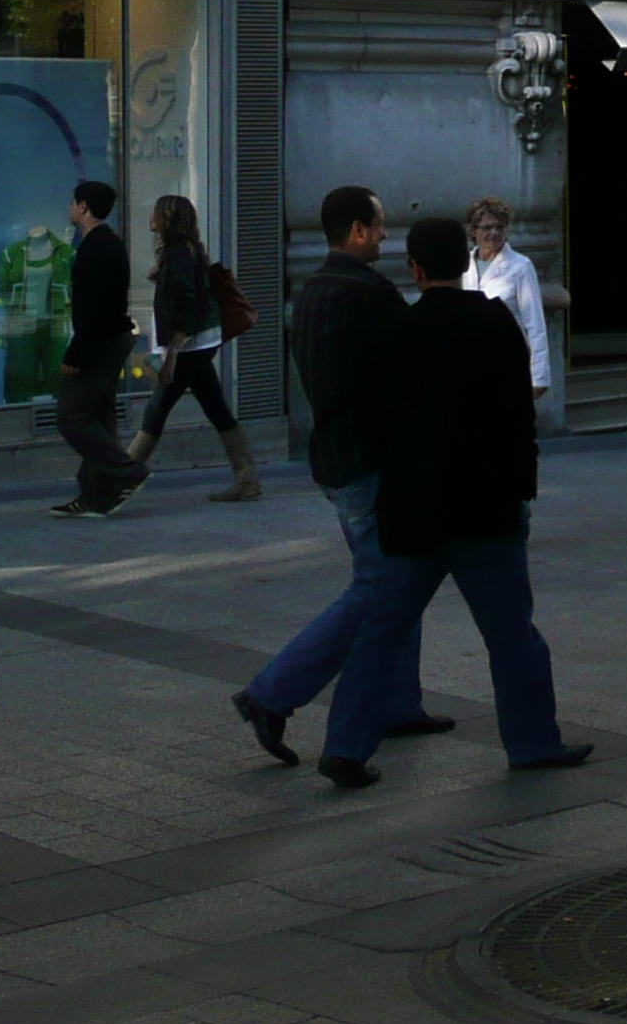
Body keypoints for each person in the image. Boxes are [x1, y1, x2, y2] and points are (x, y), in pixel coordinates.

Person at [320, 217, 588, 789]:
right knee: (512, 634)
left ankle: (345, 743)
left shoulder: (398, 331)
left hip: (415, 509)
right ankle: (533, 741)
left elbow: (374, 423)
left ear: (414, 269)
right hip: (486, 506)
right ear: (462, 263)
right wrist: (520, 489)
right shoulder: (493, 323)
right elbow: (520, 414)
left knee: (381, 630)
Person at [233, 185, 445, 770]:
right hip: (368, 466)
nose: (385, 236)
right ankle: (271, 694)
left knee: (393, 576)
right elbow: (410, 377)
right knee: (382, 588)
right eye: (378, 227)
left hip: (335, 460)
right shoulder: (369, 293)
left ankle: (400, 703)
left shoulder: (316, 289)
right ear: (356, 230)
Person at [124, 194, 259, 501]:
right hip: (196, 343)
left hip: (188, 346)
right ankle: (247, 477)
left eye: (156, 211)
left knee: (156, 410)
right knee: (214, 408)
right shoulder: (185, 252)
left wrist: (170, 358)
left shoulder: (179, 257)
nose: (151, 215)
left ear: (168, 219)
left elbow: (185, 308)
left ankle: (119, 480)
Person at [47, 180, 147, 518]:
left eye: (73, 202)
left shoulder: (96, 248)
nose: (70, 208)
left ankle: (127, 471)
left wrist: (76, 353)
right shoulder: (107, 244)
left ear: (84, 207)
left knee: (71, 416)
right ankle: (96, 495)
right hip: (108, 339)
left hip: (99, 343)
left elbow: (95, 307)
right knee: (99, 417)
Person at [460, 197, 550, 405]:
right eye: (487, 227)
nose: (494, 233)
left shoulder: (520, 266)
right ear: (473, 231)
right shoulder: (464, 266)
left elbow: (534, 323)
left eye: (499, 227)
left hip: (507, 361)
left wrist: (539, 376)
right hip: (470, 363)